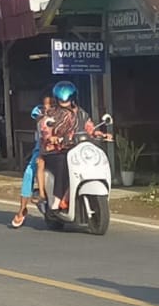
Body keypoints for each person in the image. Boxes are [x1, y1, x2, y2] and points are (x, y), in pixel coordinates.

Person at [38, 81, 101, 213]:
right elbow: (45, 128)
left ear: (73, 98)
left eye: (66, 98)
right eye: (61, 99)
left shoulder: (81, 113)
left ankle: (70, 195)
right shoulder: (51, 114)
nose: (64, 101)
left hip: (77, 150)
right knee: (63, 162)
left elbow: (89, 126)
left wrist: (98, 133)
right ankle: (57, 198)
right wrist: (51, 137)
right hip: (55, 151)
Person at [12, 98, 52, 229]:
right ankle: (22, 209)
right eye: (46, 105)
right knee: (29, 172)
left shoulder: (67, 114)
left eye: (51, 105)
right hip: (41, 147)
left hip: (61, 147)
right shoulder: (40, 115)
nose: (48, 108)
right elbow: (41, 125)